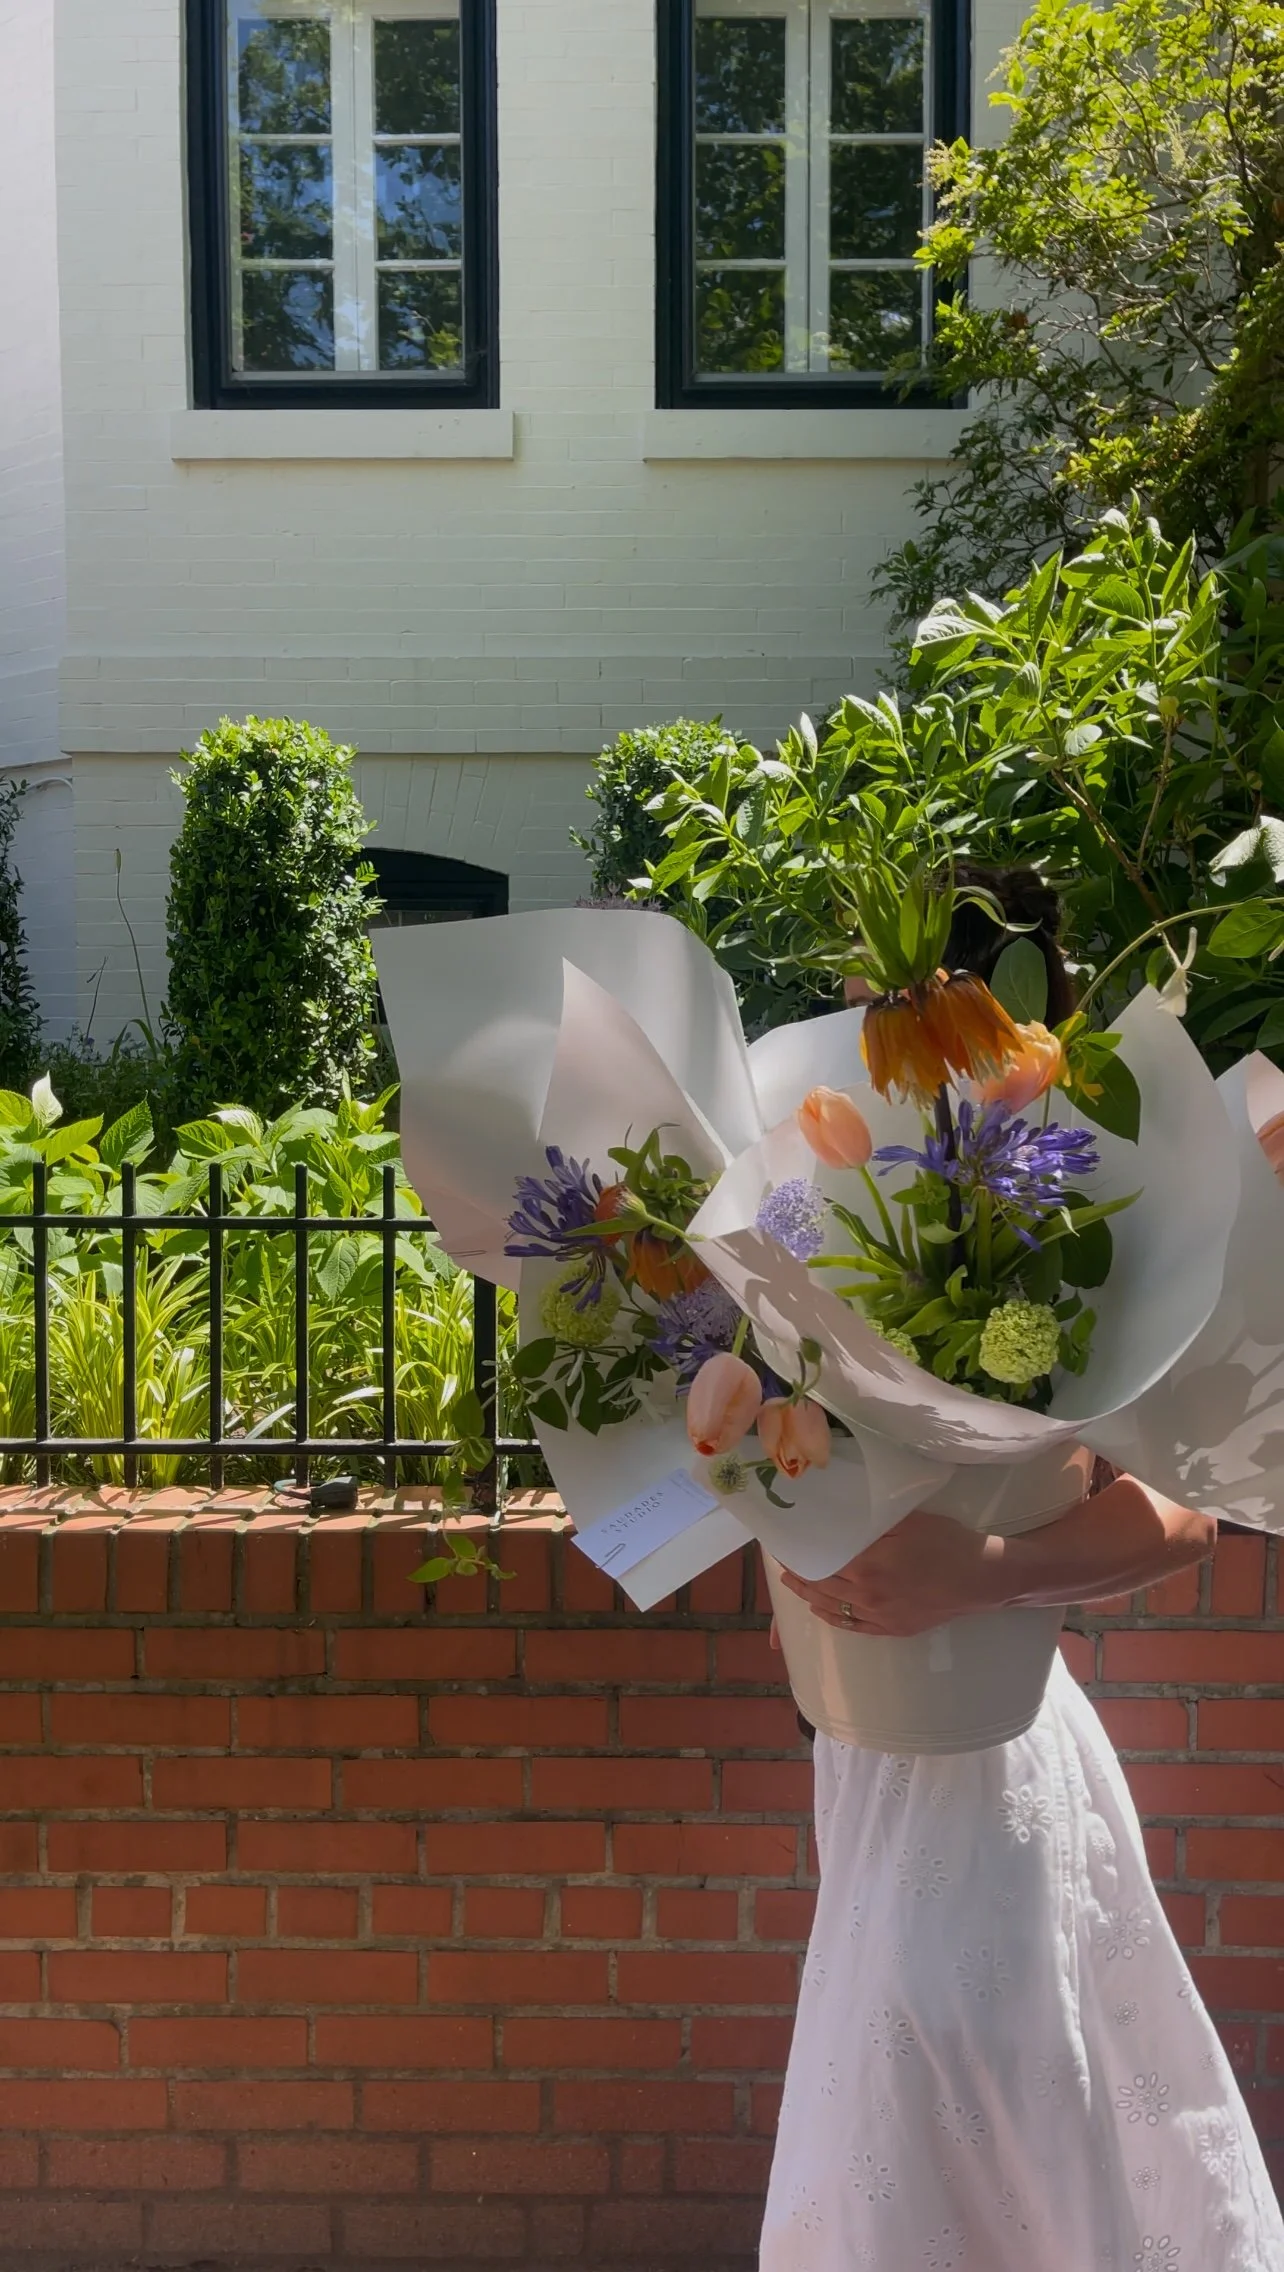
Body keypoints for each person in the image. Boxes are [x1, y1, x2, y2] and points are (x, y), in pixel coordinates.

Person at [758, 870, 1284, 2272]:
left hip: (997, 1741)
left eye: (936, 998)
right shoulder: (820, 1197)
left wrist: (980, 1569)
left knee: (966, 2055)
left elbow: (1184, 1515)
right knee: (947, 2082)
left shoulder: (1076, 1223)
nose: (896, 1028)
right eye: (883, 1008)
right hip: (864, 1751)